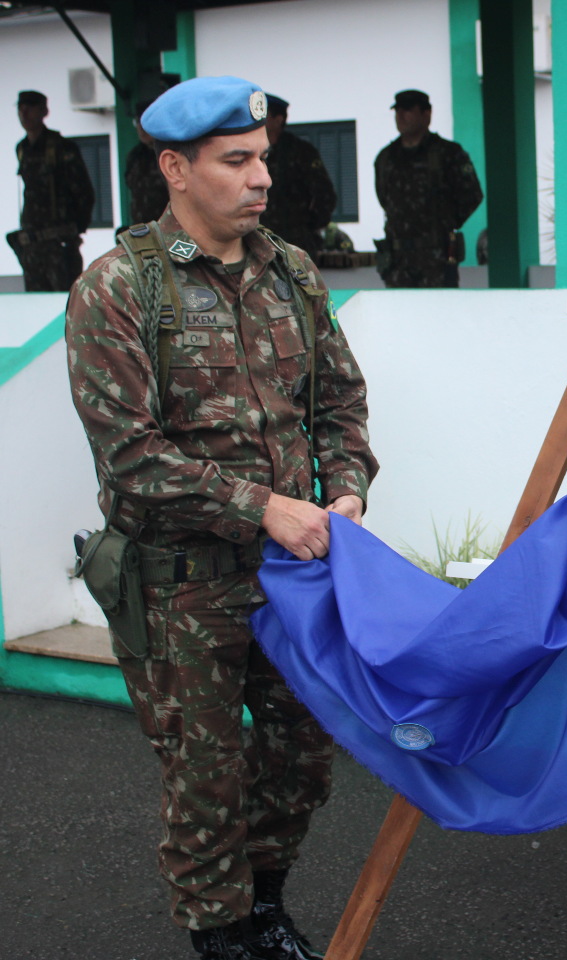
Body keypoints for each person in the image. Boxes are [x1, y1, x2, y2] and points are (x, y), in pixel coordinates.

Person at [64, 75, 379, 960]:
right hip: (181, 593)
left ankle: (265, 908)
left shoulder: (293, 274)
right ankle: (222, 936)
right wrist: (265, 505)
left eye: (263, 159)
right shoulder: (119, 289)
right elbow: (129, 457)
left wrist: (346, 486)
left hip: (289, 582)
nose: (261, 179)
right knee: (206, 783)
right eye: (235, 161)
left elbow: (340, 404)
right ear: (175, 168)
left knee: (299, 763)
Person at [374, 88, 483, 288]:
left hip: (437, 260)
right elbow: (384, 198)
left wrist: (444, 221)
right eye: (397, 111)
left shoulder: (449, 154)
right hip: (398, 263)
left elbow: (472, 196)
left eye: (407, 110)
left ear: (427, 114)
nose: (400, 116)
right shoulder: (386, 158)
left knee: (440, 315)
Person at [9, 89, 94, 291]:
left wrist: (74, 228)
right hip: (32, 243)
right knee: (37, 303)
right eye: (21, 109)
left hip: (58, 242)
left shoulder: (62, 147)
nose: (24, 114)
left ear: (43, 111)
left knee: (65, 301)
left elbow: (84, 192)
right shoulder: (22, 148)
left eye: (29, 109)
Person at [259, 94, 337, 258]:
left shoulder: (301, 151)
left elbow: (325, 195)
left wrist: (308, 228)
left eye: (263, 115)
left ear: (278, 120)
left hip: (296, 242)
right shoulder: (253, 152)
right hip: (260, 241)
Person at [124, 97, 170, 226]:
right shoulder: (135, 155)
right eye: (137, 122)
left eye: (145, 122)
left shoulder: (171, 153)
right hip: (142, 226)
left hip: (168, 225)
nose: (140, 128)